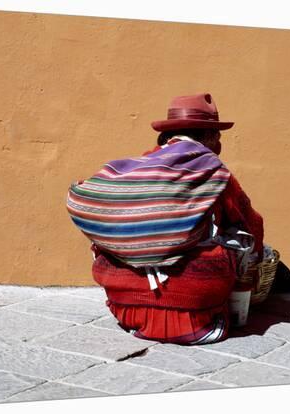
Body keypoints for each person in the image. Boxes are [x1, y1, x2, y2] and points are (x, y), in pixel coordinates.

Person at [75, 93, 264, 345]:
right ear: (206, 136)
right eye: (217, 136)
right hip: (196, 314)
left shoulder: (140, 169)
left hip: (126, 308)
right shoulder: (215, 172)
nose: (219, 143)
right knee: (236, 240)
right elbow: (251, 225)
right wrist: (256, 260)